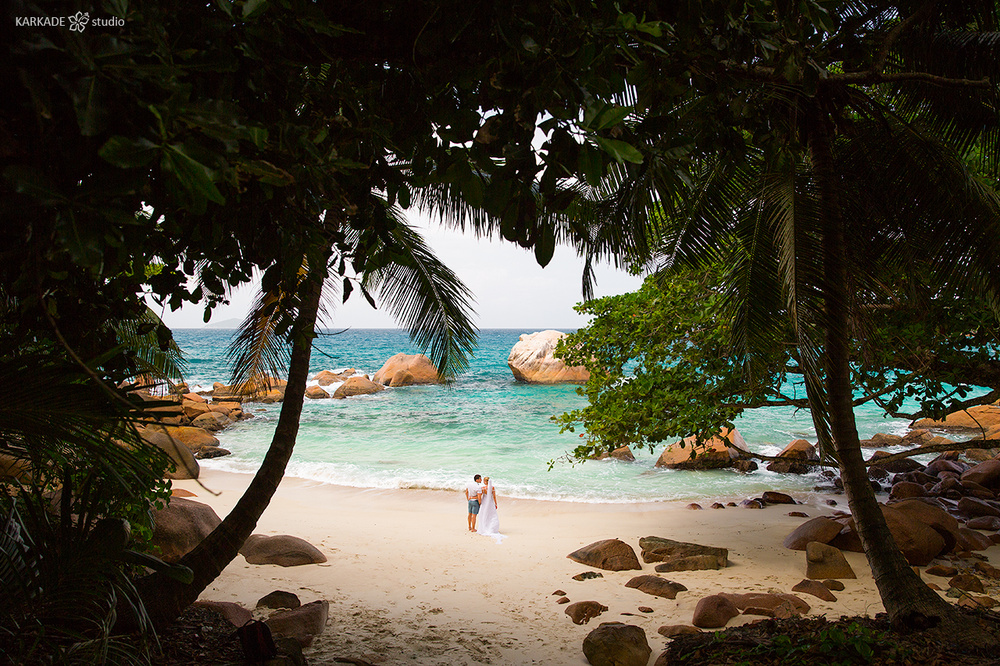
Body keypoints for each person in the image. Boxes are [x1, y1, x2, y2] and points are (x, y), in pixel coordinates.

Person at [476, 476, 505, 542]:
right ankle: (491, 528)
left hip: (484, 502)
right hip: (491, 503)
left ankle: (484, 527)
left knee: (484, 514)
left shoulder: (482, 488)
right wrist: (496, 503)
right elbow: (494, 496)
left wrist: (479, 503)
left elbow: (480, 496)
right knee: (492, 515)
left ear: (485, 481)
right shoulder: (492, 488)